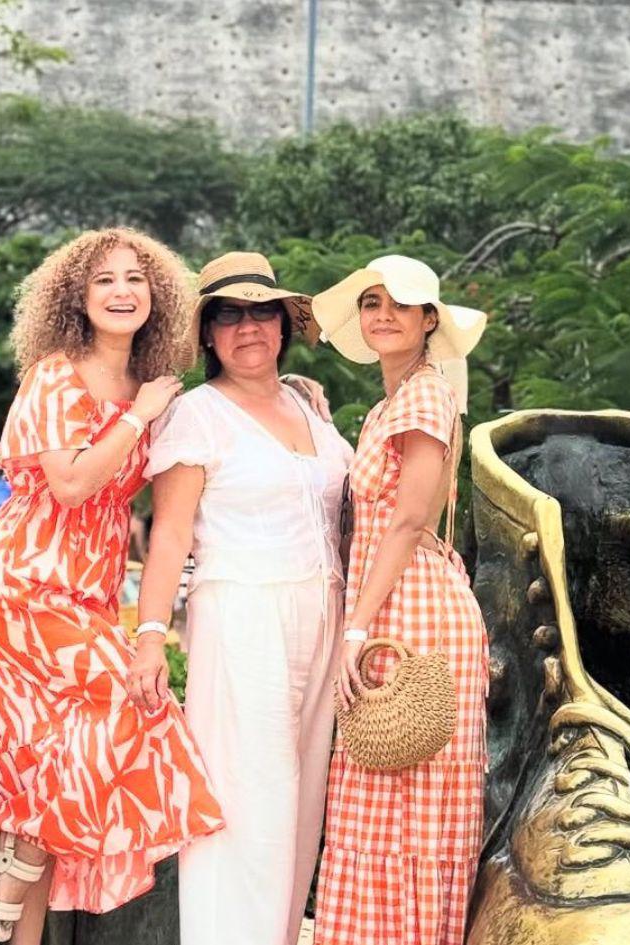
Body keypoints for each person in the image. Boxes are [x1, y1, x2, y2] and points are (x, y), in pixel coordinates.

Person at [0, 228, 223, 944]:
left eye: (135, 278)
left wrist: (296, 392)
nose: (121, 291)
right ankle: (23, 843)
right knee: (129, 704)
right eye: (104, 280)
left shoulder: (155, 389)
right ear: (76, 297)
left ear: (156, 296)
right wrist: (135, 417)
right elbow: (71, 485)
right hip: (20, 586)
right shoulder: (56, 376)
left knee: (52, 768)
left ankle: (22, 858)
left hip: (89, 595)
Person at [135, 252, 353, 945]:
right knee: (247, 802)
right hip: (244, 614)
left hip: (325, 612)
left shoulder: (308, 405)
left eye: (262, 312)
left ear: (284, 324)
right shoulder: (196, 415)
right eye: (229, 315)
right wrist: (149, 634)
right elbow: (170, 534)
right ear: (208, 333)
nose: (248, 328)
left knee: (302, 805)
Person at [310, 255, 489, 945]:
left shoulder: (422, 396)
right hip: (395, 601)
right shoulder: (396, 401)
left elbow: (410, 519)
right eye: (371, 302)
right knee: (384, 802)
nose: (382, 314)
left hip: (409, 609)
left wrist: (354, 631)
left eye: (400, 304)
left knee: (407, 808)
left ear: (428, 320)